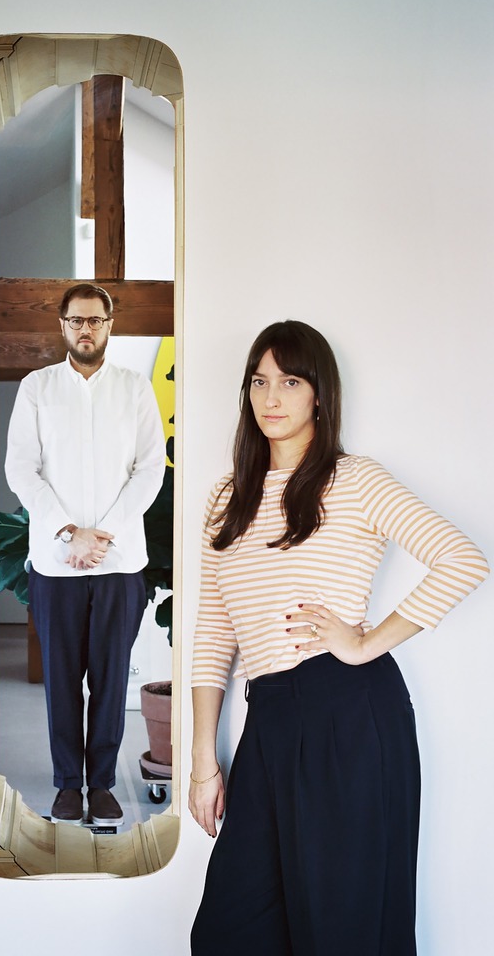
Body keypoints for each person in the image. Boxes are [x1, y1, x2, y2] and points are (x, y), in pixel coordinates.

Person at [188, 321, 488, 955]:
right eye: (259, 382)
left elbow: (462, 560)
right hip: (269, 722)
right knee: (229, 931)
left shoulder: (355, 480)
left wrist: (365, 643)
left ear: (319, 395)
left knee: (342, 930)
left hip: (348, 715)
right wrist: (202, 763)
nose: (271, 398)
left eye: (290, 382)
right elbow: (214, 634)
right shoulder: (227, 498)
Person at [5, 283, 166, 826]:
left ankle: (101, 785)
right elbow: (21, 469)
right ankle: (68, 786)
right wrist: (69, 533)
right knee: (62, 680)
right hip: (56, 564)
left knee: (110, 679)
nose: (86, 329)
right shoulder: (37, 388)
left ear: (109, 324)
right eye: (76, 320)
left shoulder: (134, 388)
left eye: (95, 320)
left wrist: (103, 535)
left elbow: (150, 469)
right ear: (63, 325)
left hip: (120, 564)